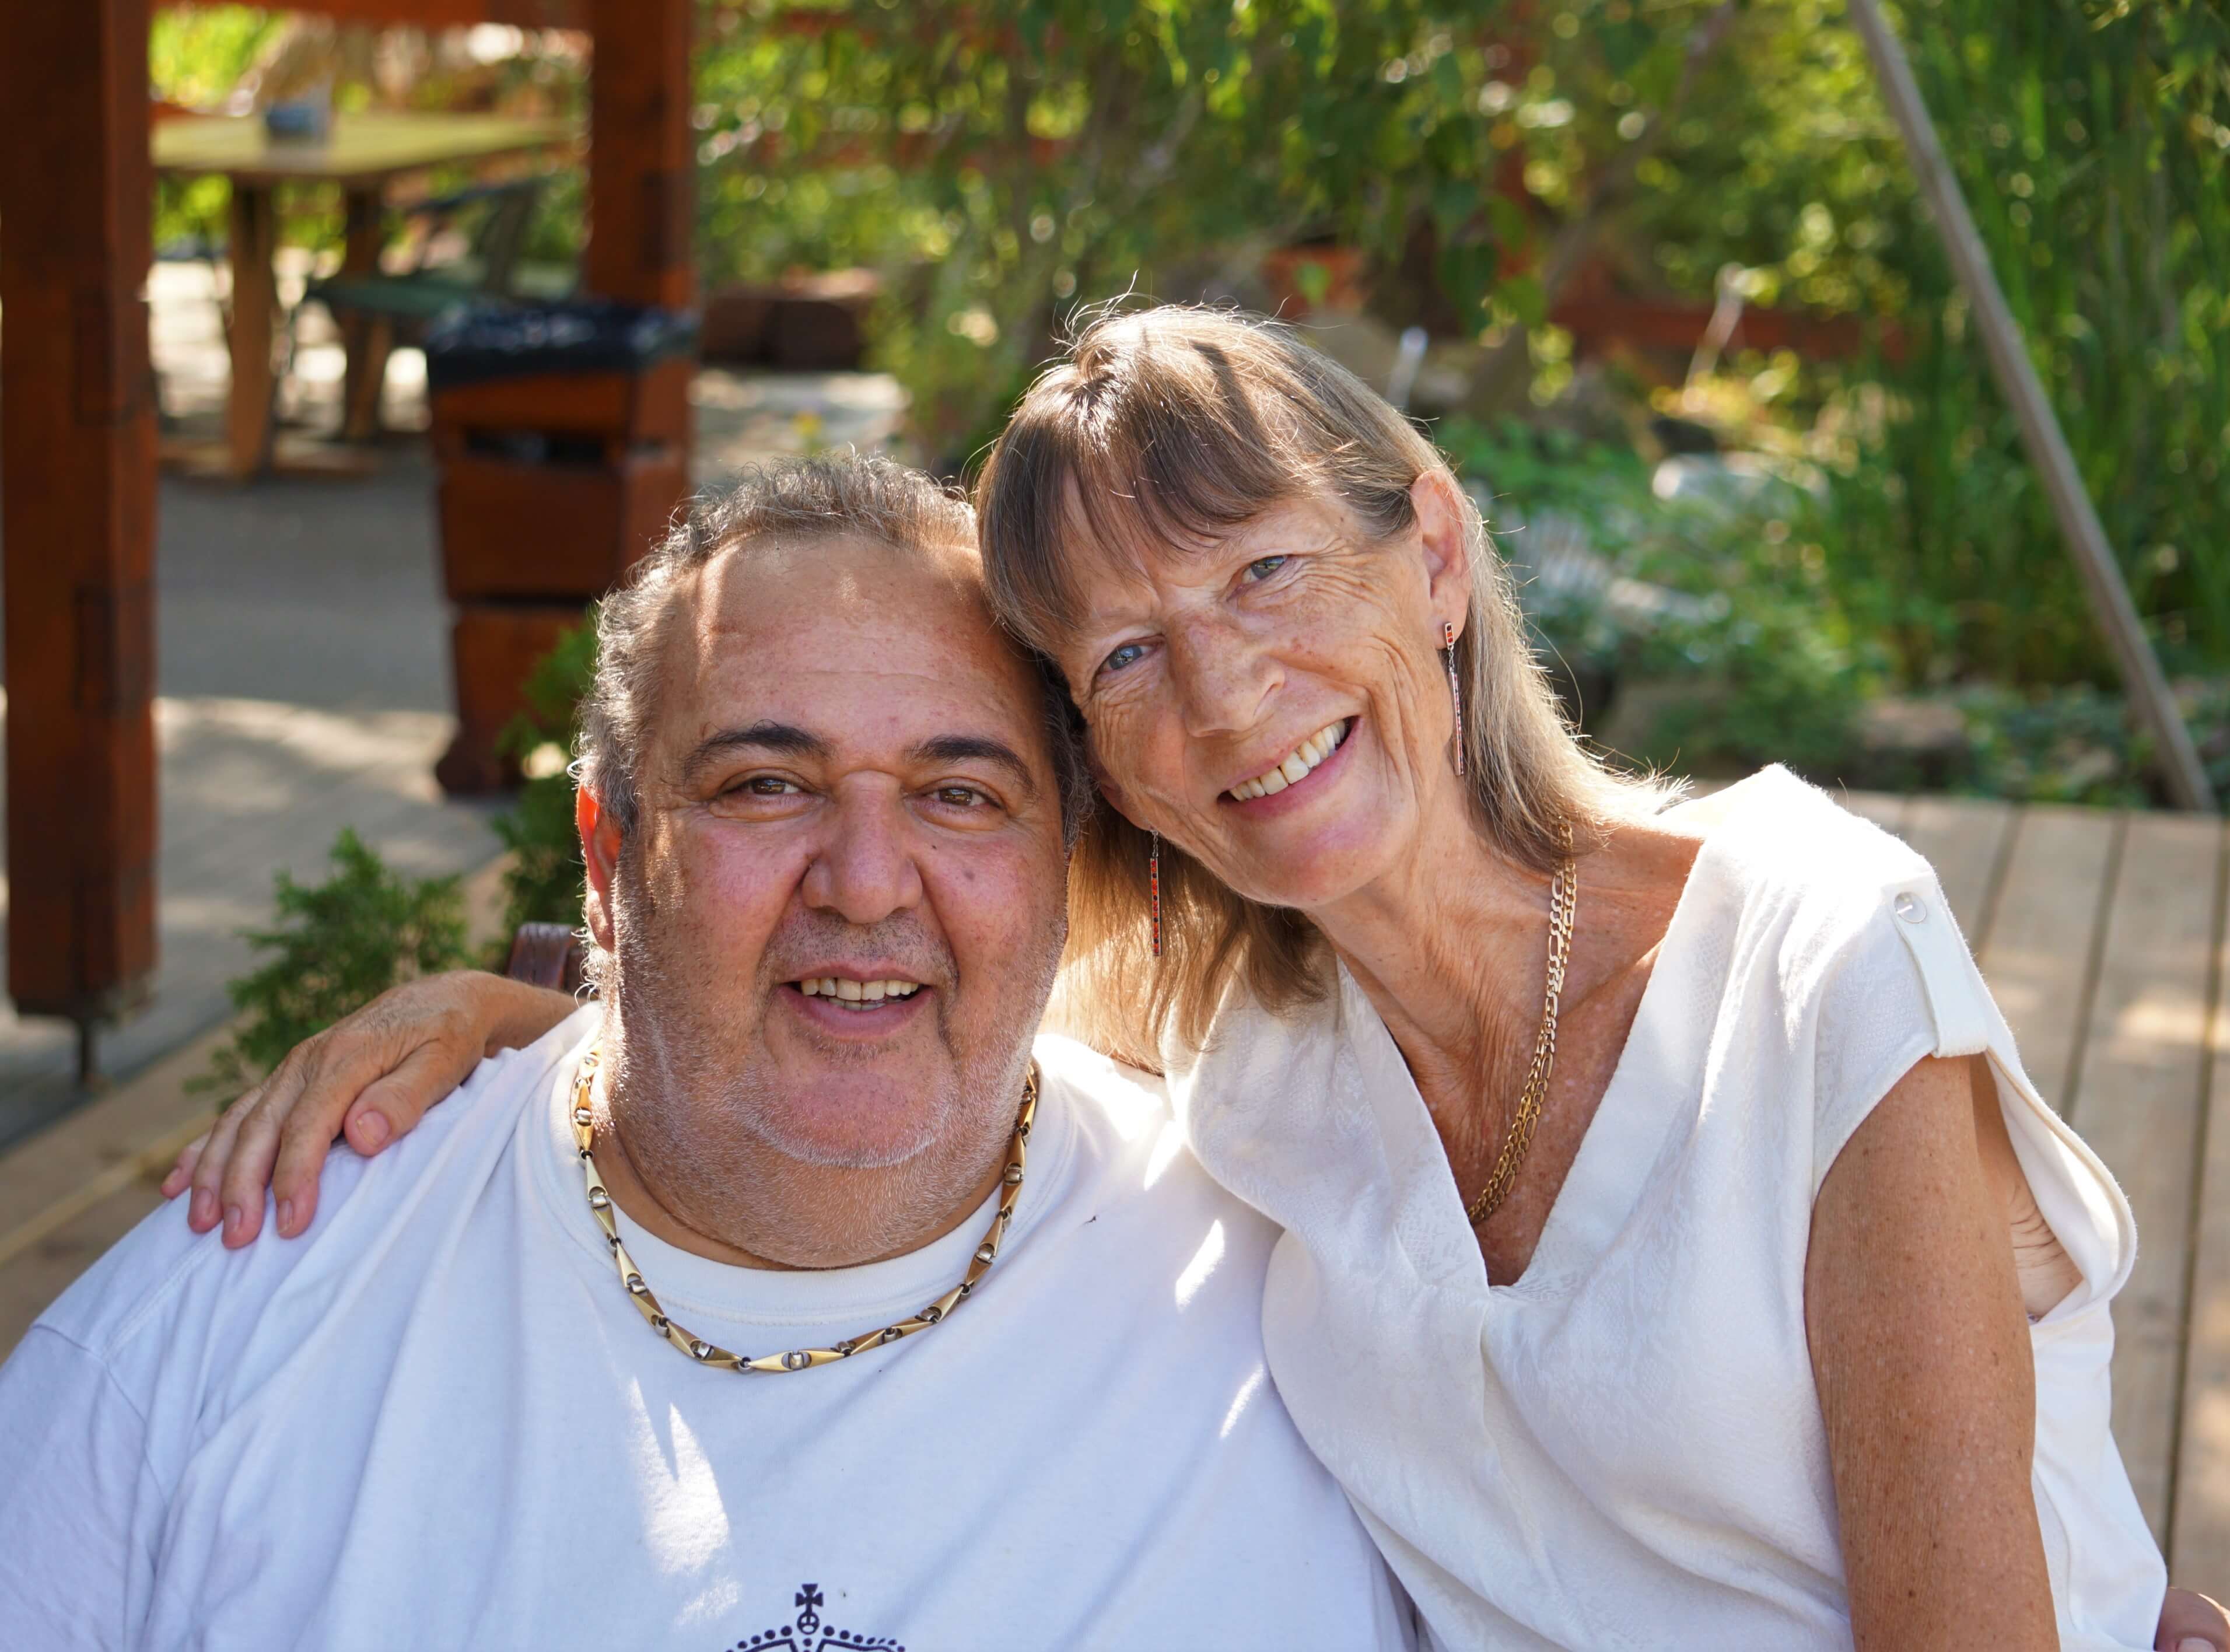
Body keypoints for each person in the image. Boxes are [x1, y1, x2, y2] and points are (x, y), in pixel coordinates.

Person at [166, 315, 2225, 1652]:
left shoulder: (1816, 960)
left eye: (1265, 573)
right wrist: (520, 1009)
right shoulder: (1253, 1047)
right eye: (1129, 656)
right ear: (1107, 762)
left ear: (1433, 557)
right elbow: (852, 994)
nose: (1228, 695)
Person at [0, 456, 1414, 1651]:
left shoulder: (1303, 1292)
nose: (866, 882)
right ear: (607, 859)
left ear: (1063, 861)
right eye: (764, 785)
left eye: (959, 793)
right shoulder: (239, 1312)